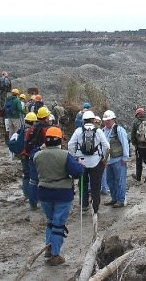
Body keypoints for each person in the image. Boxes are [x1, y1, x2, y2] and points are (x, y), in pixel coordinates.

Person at [33, 127, 84, 266]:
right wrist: (81, 166)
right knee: (58, 224)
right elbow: (77, 172)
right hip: (62, 193)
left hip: (44, 192)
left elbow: (32, 157)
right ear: (60, 140)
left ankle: (48, 248)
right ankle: (55, 254)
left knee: (50, 221)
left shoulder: (38, 155)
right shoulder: (64, 155)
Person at [68, 110, 109, 214]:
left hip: (82, 162)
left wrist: (75, 157)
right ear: (93, 120)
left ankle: (84, 205)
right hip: (96, 162)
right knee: (96, 185)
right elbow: (107, 146)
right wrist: (104, 158)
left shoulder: (78, 131)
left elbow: (70, 145)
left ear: (83, 120)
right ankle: (95, 208)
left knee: (83, 184)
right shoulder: (98, 131)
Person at [101, 110, 130, 208]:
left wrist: (125, 158)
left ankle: (121, 200)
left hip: (119, 160)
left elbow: (125, 143)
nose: (106, 122)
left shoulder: (119, 130)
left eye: (108, 120)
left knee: (120, 181)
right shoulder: (103, 131)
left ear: (113, 119)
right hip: (108, 161)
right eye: (105, 120)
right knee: (110, 180)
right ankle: (114, 199)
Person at [19, 112, 39, 207]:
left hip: (22, 155)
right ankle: (32, 195)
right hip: (28, 155)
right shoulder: (31, 131)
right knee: (33, 177)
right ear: (33, 121)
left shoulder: (21, 129)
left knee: (26, 175)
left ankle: (26, 194)